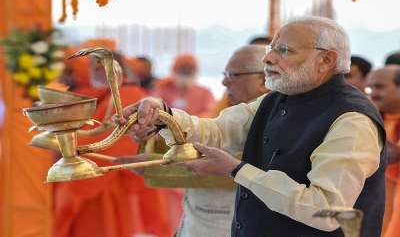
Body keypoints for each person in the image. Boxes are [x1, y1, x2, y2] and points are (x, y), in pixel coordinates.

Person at [116, 16, 386, 237]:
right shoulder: (276, 99)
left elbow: (326, 210)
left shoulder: (352, 120)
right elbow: (217, 131)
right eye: (272, 49)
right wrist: (162, 115)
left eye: (284, 51)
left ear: (326, 60)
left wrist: (237, 170)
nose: (268, 59)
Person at [53, 51, 172, 237]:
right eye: (92, 68)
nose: (94, 73)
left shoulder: (128, 95)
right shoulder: (114, 93)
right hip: (102, 186)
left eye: (98, 68)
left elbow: (114, 145)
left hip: (106, 188)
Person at [174, 45, 268, 237]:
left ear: (264, 79)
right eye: (225, 73)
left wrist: (233, 168)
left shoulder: (280, 117)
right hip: (196, 217)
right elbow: (204, 133)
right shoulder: (228, 109)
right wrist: (162, 120)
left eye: (233, 75)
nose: (224, 82)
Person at [366, 65, 400, 236]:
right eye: (370, 87)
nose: (372, 93)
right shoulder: (369, 117)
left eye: (379, 87)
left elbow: (393, 158)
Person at [151, 54, 215, 117]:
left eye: (190, 69)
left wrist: (190, 122)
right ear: (174, 70)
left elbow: (210, 112)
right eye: (182, 68)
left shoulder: (205, 92)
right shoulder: (163, 89)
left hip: (196, 126)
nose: (186, 71)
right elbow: (155, 109)